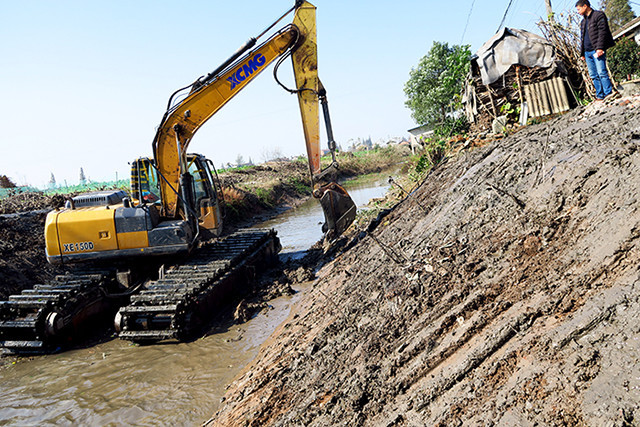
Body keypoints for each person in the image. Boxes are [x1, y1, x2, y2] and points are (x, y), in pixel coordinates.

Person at [576, 0, 616, 100]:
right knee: (593, 75)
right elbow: (583, 38)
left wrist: (600, 48)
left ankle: (608, 93)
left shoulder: (598, 15)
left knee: (601, 72)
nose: (578, 12)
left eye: (579, 9)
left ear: (585, 6)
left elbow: (603, 32)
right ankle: (600, 95)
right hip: (587, 52)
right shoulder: (583, 21)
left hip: (596, 50)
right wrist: (582, 53)